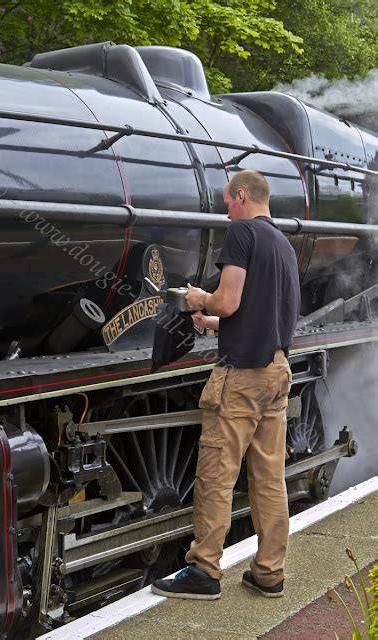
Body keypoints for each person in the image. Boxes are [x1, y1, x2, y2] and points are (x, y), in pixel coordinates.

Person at [151, 169, 301, 600]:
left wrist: (200, 299)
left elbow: (229, 299)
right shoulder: (284, 245)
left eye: (227, 202)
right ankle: (270, 572)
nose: (225, 210)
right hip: (276, 370)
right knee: (269, 478)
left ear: (241, 196)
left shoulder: (242, 233)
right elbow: (254, 313)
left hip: (241, 376)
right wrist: (213, 322)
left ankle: (204, 571)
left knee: (217, 473)